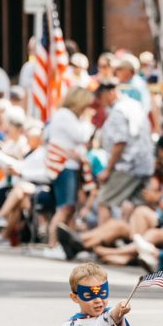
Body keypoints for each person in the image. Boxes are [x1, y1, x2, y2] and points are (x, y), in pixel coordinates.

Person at [42, 87, 95, 259]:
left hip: (71, 165)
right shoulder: (65, 115)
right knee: (64, 207)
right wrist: (88, 121)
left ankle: (69, 244)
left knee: (70, 208)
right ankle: (52, 244)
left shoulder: (67, 116)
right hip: (65, 166)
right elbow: (81, 136)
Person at [96, 80, 155, 223]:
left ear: (110, 93)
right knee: (138, 206)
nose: (100, 102)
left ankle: (103, 240)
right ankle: (133, 240)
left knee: (103, 202)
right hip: (145, 164)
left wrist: (107, 170)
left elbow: (120, 143)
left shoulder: (119, 111)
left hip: (128, 166)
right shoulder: (134, 105)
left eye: (101, 97)